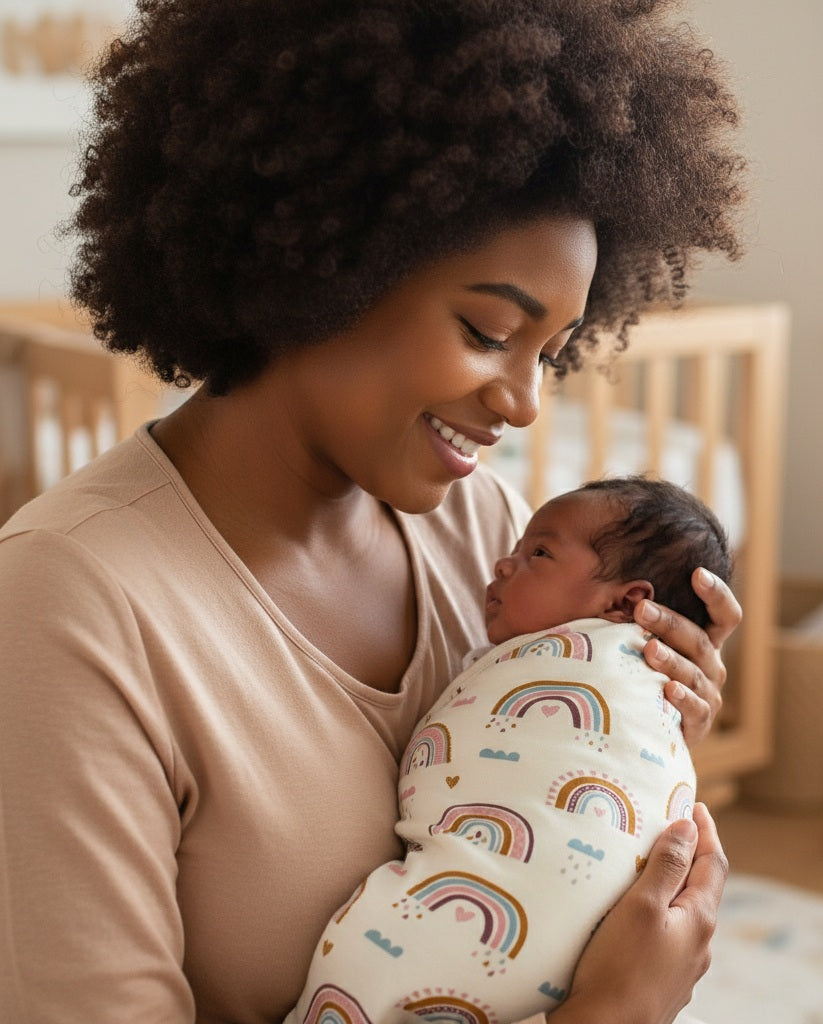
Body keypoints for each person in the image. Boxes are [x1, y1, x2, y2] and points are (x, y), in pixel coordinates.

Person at [0, 2, 745, 1022]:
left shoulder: (480, 525)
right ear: (318, 263)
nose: (525, 403)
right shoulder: (65, 600)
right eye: (489, 330)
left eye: (550, 352)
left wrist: (631, 717)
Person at [285, 476, 733, 1024]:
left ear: (628, 603)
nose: (501, 563)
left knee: (372, 970)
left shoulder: (617, 661)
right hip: (559, 941)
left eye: (537, 553)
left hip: (572, 910)